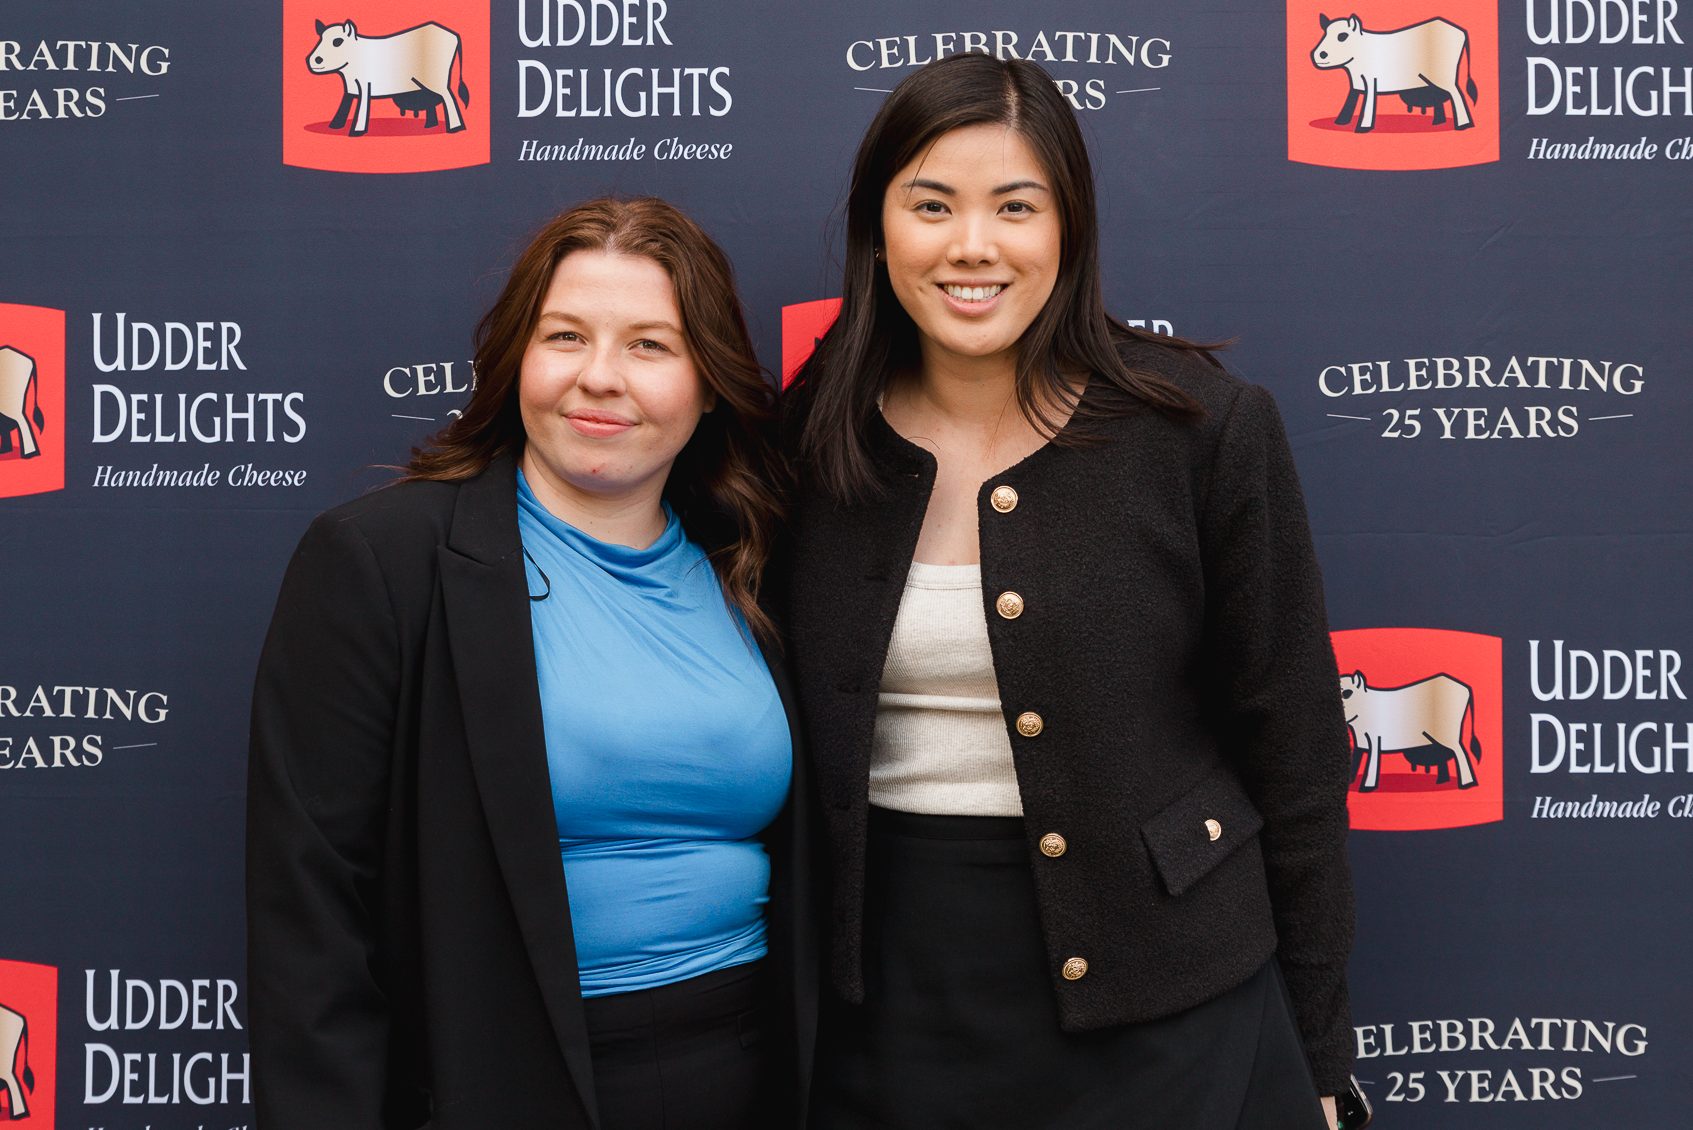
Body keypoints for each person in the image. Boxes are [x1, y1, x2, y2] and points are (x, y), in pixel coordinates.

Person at [782, 53, 1355, 1129]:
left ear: (1069, 230)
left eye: (1015, 205)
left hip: (1166, 1002)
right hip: (889, 1005)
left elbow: (1297, 755)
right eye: (931, 204)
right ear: (878, 228)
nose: (972, 246)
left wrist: (1320, 1048)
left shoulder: (1202, 430)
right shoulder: (803, 447)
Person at [246, 197, 816, 1130]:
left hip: (753, 1070)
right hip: (506, 1078)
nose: (600, 378)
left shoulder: (760, 563)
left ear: (709, 383)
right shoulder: (382, 561)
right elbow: (310, 914)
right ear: (515, 358)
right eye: (564, 337)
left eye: (649, 346)